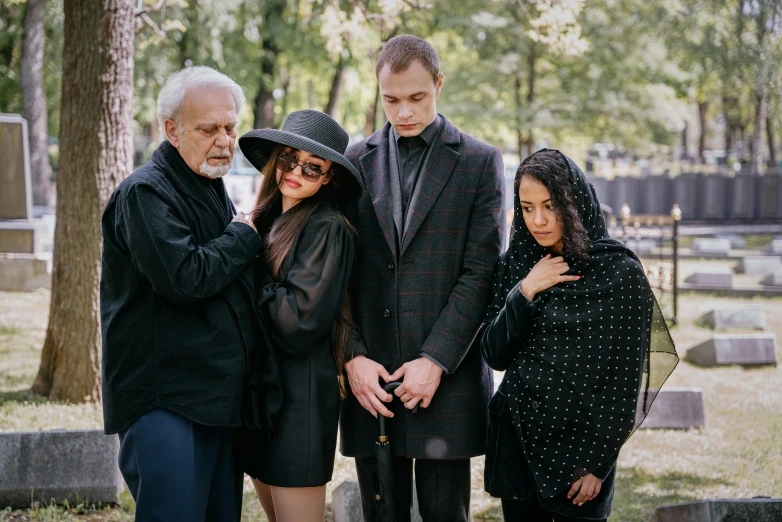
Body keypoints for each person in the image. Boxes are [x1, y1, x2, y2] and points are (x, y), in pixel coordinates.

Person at [339, 35, 506, 522]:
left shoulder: (479, 162)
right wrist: (352, 356)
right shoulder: (352, 162)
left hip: (445, 383)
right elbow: (338, 275)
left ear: (438, 84)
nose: (404, 111)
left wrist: (435, 359)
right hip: (372, 382)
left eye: (417, 97)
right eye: (391, 99)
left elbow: (482, 272)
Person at [481, 149, 678, 522]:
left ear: (574, 203)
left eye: (550, 206)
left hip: (584, 456)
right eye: (526, 207)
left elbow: (625, 381)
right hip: (519, 439)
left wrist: (599, 465)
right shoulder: (517, 265)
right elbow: (495, 354)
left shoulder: (619, 273)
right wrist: (525, 291)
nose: (537, 220)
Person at [100, 66, 260, 521]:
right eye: (209, 129)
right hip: (163, 400)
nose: (225, 141)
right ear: (171, 129)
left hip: (215, 396)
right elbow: (186, 277)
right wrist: (244, 234)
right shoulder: (145, 193)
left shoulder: (208, 185)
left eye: (231, 127)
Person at [238, 110, 364, 522]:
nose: (296, 172)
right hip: (262, 396)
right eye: (290, 158)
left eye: (313, 168)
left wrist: (248, 260)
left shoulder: (329, 228)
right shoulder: (268, 220)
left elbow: (298, 322)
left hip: (300, 401)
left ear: (328, 178)